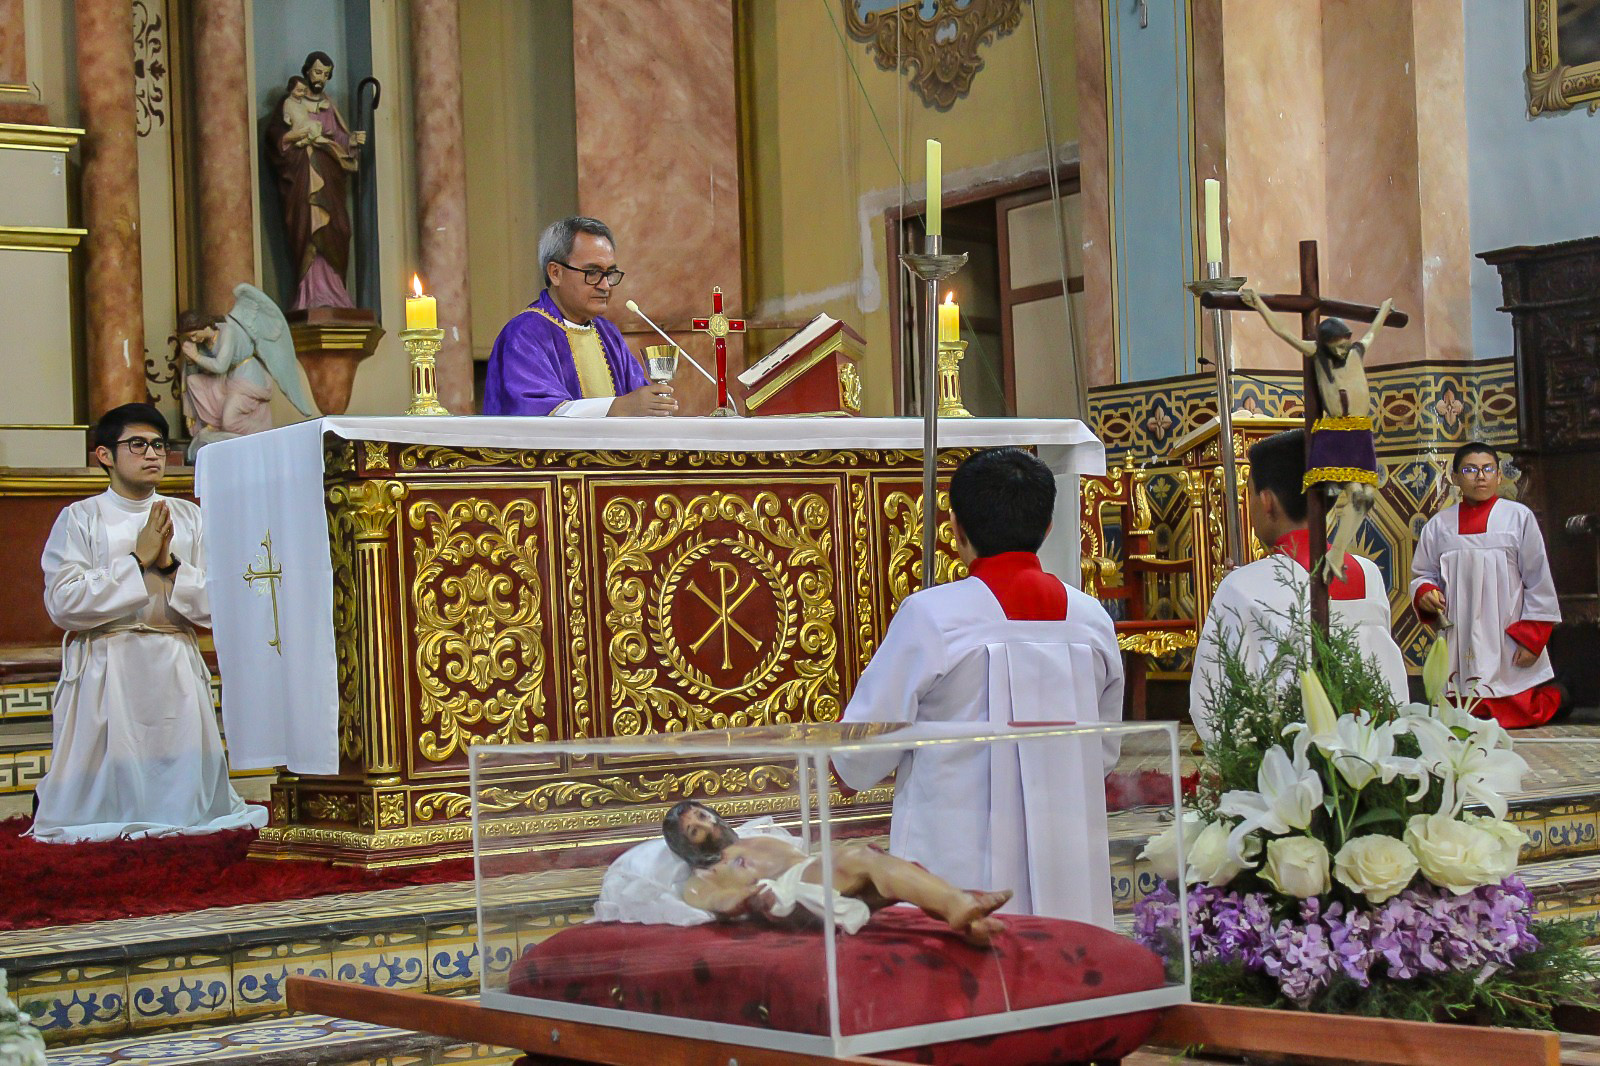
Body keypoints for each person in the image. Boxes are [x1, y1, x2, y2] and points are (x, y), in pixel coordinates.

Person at [834, 447, 1123, 927]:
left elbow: (867, 741)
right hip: (1067, 842)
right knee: (1070, 959)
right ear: (1047, 528)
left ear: (955, 529)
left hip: (956, 855)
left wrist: (849, 767)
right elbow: (1106, 748)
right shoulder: (1091, 619)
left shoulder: (933, 615)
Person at [28, 404, 267, 843]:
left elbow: (223, 605)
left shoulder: (190, 517)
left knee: (181, 794)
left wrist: (171, 565)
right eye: (137, 444)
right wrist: (136, 561)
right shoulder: (81, 518)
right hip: (108, 661)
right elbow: (63, 603)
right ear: (104, 455)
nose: (152, 454)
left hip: (172, 657)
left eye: (158, 444)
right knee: (105, 794)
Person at [1189, 429, 1410, 745]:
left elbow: (1210, 699)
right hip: (1372, 748)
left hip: (1283, 761)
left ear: (1267, 502)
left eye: (1248, 494)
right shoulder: (1368, 573)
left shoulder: (1240, 586)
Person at [662, 801, 1013, 946]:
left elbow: (805, 856)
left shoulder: (760, 837)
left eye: (703, 816)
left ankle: (970, 923)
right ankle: (959, 903)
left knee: (882, 876)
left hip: (811, 875)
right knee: (864, 860)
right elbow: (708, 900)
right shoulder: (704, 876)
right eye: (695, 831)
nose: (707, 827)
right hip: (790, 899)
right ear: (688, 847)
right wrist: (740, 899)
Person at [1410, 442, 1562, 728]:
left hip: (1505, 629)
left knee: (1516, 702)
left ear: (1498, 476)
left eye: (1487, 469)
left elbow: (1538, 579)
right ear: (1455, 478)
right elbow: (1422, 574)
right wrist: (1425, 593)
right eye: (1469, 469)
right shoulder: (1439, 526)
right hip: (1460, 628)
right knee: (1458, 711)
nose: (1480, 476)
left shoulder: (1518, 518)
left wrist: (1532, 638)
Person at [1239, 290, 1395, 568]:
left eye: (1345, 343)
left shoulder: (1356, 352)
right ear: (1324, 344)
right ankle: (1330, 556)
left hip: (1360, 431)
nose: (1342, 350)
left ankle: (1336, 553)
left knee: (1366, 497)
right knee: (1344, 493)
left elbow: (1373, 331)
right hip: (1335, 431)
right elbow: (1284, 333)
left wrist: (1384, 309)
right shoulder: (1317, 355)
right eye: (1336, 345)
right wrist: (1259, 305)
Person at [483, 216, 675, 417]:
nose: (605, 285)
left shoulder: (607, 333)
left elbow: (637, 401)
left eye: (610, 273)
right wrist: (617, 408)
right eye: (592, 272)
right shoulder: (524, 335)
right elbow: (534, 414)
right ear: (555, 273)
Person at [264, 51, 366, 310]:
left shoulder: (328, 106)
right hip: (301, 180)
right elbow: (276, 139)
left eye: (326, 74)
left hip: (329, 178)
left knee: (338, 229)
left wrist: (352, 141)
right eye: (317, 72)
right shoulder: (288, 104)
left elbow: (340, 141)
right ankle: (309, 295)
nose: (321, 78)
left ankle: (335, 294)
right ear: (307, 72)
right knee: (306, 230)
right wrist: (296, 142)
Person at [178, 283, 318, 459]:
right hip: (229, 380)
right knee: (194, 382)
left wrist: (196, 356)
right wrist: (191, 360)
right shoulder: (205, 341)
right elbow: (199, 370)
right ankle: (215, 425)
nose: (193, 339)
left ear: (202, 326)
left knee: (229, 421)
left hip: (247, 379)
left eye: (193, 335)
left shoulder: (227, 331)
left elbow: (220, 365)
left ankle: (264, 435)